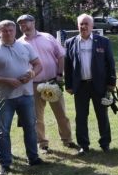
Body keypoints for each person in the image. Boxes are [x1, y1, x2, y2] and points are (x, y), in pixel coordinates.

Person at [0, 20, 46, 175]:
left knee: (30, 127)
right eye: (4, 30)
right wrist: (7, 81)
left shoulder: (25, 46)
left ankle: (33, 158)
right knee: (3, 131)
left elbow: (38, 65)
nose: (8, 33)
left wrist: (31, 74)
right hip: (4, 97)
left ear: (15, 31)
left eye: (10, 30)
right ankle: (5, 163)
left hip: (26, 94)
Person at [17, 14, 78, 153]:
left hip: (52, 81)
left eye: (25, 22)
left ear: (33, 22)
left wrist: (60, 75)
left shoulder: (47, 37)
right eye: (20, 24)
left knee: (61, 114)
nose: (23, 26)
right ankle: (42, 144)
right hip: (33, 85)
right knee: (37, 117)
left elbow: (61, 55)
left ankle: (67, 140)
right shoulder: (19, 43)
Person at [64, 14, 116, 155]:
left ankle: (105, 143)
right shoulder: (70, 42)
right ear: (78, 26)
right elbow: (67, 66)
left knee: (102, 115)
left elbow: (110, 64)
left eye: (87, 23)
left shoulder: (103, 41)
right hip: (80, 86)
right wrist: (68, 85)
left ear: (92, 26)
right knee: (80, 116)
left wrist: (111, 83)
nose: (84, 26)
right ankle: (83, 145)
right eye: (81, 24)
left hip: (99, 85)